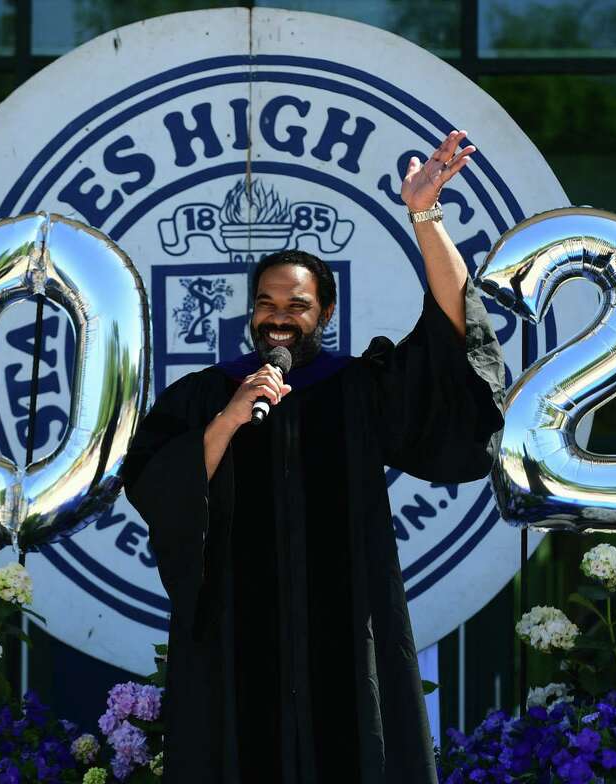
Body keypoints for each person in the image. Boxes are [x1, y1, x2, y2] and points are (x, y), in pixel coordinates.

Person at [120, 131, 506, 784]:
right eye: (267, 304)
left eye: (296, 305)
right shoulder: (209, 395)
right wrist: (230, 418)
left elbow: (452, 329)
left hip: (346, 644)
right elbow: (156, 486)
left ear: (325, 311)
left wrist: (425, 215)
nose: (278, 318)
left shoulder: (356, 390)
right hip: (237, 648)